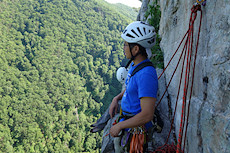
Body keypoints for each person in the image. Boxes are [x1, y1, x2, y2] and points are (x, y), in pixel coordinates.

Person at [109, 21, 158, 152]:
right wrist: (117, 98)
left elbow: (147, 114)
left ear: (136, 49)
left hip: (136, 132)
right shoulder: (135, 65)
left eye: (126, 45)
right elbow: (131, 87)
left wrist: (120, 126)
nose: (123, 48)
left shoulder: (146, 74)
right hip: (128, 125)